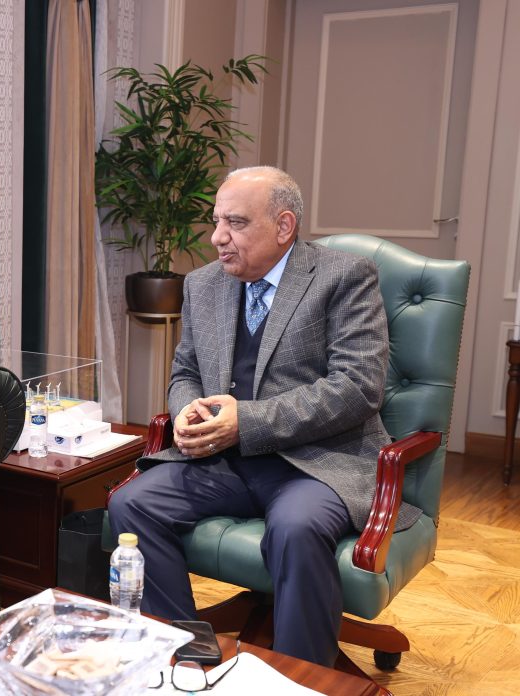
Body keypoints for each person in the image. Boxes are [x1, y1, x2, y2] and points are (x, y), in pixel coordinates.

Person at [108, 166, 420, 667]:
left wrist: (247, 422)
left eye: (235, 222)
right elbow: (186, 370)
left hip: (316, 463)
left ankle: (299, 677)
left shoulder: (344, 277)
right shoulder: (204, 284)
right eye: (216, 221)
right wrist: (188, 409)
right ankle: (187, 655)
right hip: (223, 461)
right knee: (132, 502)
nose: (217, 237)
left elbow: (357, 388)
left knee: (296, 528)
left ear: (284, 226)